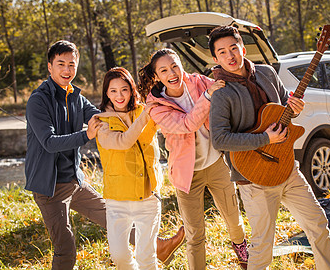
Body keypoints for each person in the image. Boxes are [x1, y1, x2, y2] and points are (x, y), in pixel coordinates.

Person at [25, 40, 183, 270]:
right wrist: (86, 135)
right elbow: (48, 143)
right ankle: (157, 248)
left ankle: (157, 247)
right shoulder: (38, 100)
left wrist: (132, 106)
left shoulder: (75, 98)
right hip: (50, 186)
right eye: (61, 64)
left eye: (71, 64)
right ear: (50, 67)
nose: (67, 70)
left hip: (75, 180)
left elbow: (107, 114)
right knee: (65, 246)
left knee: (111, 217)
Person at [207, 26, 330, 270]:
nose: (230, 56)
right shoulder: (221, 93)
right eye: (222, 52)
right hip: (254, 178)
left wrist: (295, 106)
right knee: (262, 246)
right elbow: (219, 139)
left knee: (319, 224)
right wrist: (264, 140)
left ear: (243, 49)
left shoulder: (267, 73)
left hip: (288, 169)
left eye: (233, 48)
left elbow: (283, 106)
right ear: (215, 59)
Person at [138, 48, 248, 270]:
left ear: (181, 65)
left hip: (216, 164)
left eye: (175, 65)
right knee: (195, 233)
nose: (172, 73)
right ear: (156, 76)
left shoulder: (199, 82)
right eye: (164, 70)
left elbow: (226, 89)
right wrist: (208, 97)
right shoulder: (156, 106)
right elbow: (187, 124)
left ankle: (245, 258)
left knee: (234, 221)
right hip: (186, 175)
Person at [96, 67, 181, 269]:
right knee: (120, 257)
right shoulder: (101, 123)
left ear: (132, 90)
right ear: (106, 93)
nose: (119, 96)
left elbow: (173, 119)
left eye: (124, 89)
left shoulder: (145, 111)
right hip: (117, 200)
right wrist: (146, 115)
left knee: (146, 256)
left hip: (148, 195)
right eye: (113, 91)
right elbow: (123, 142)